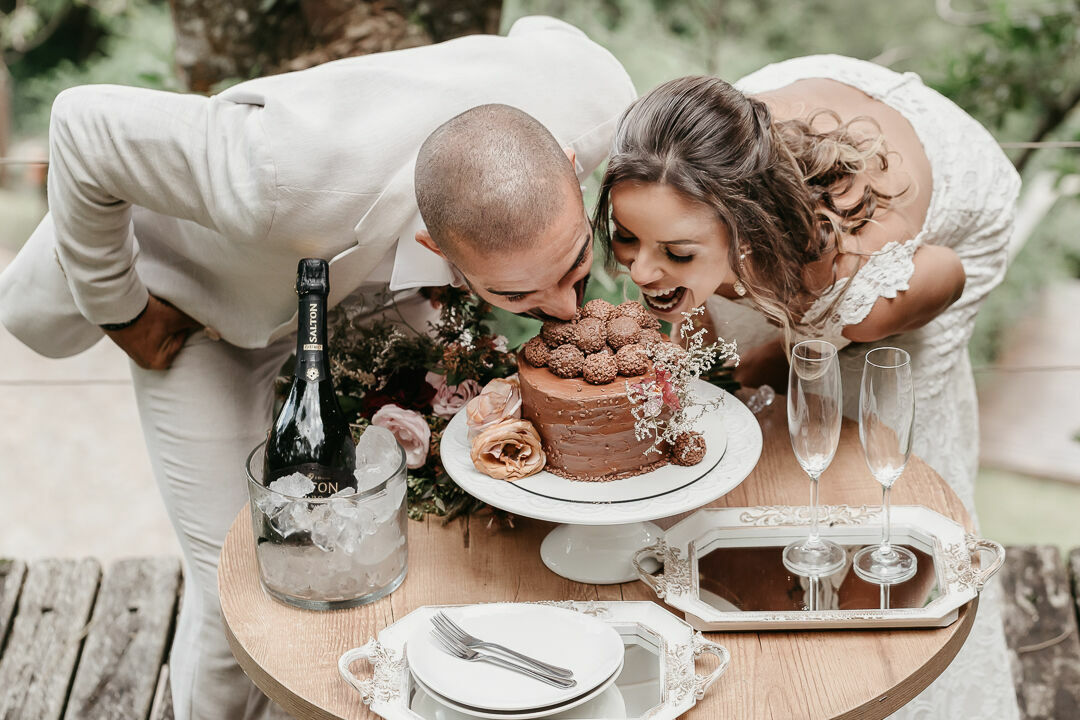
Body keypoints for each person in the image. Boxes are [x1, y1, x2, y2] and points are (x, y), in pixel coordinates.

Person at [0, 16, 635, 720]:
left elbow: (538, 29)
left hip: (362, 285)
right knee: (238, 583)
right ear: (434, 242)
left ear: (574, 168)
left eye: (576, 264)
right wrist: (122, 311)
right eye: (517, 296)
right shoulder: (271, 172)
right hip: (194, 311)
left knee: (419, 514)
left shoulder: (601, 97)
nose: (563, 308)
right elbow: (82, 121)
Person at [593, 57, 1020, 718]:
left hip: (947, 212)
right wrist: (689, 315)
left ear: (752, 232)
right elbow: (677, 291)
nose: (643, 270)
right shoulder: (680, 162)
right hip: (800, 129)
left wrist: (793, 347)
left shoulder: (861, 279)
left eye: (676, 253)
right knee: (753, 368)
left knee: (869, 413)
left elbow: (949, 275)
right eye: (626, 238)